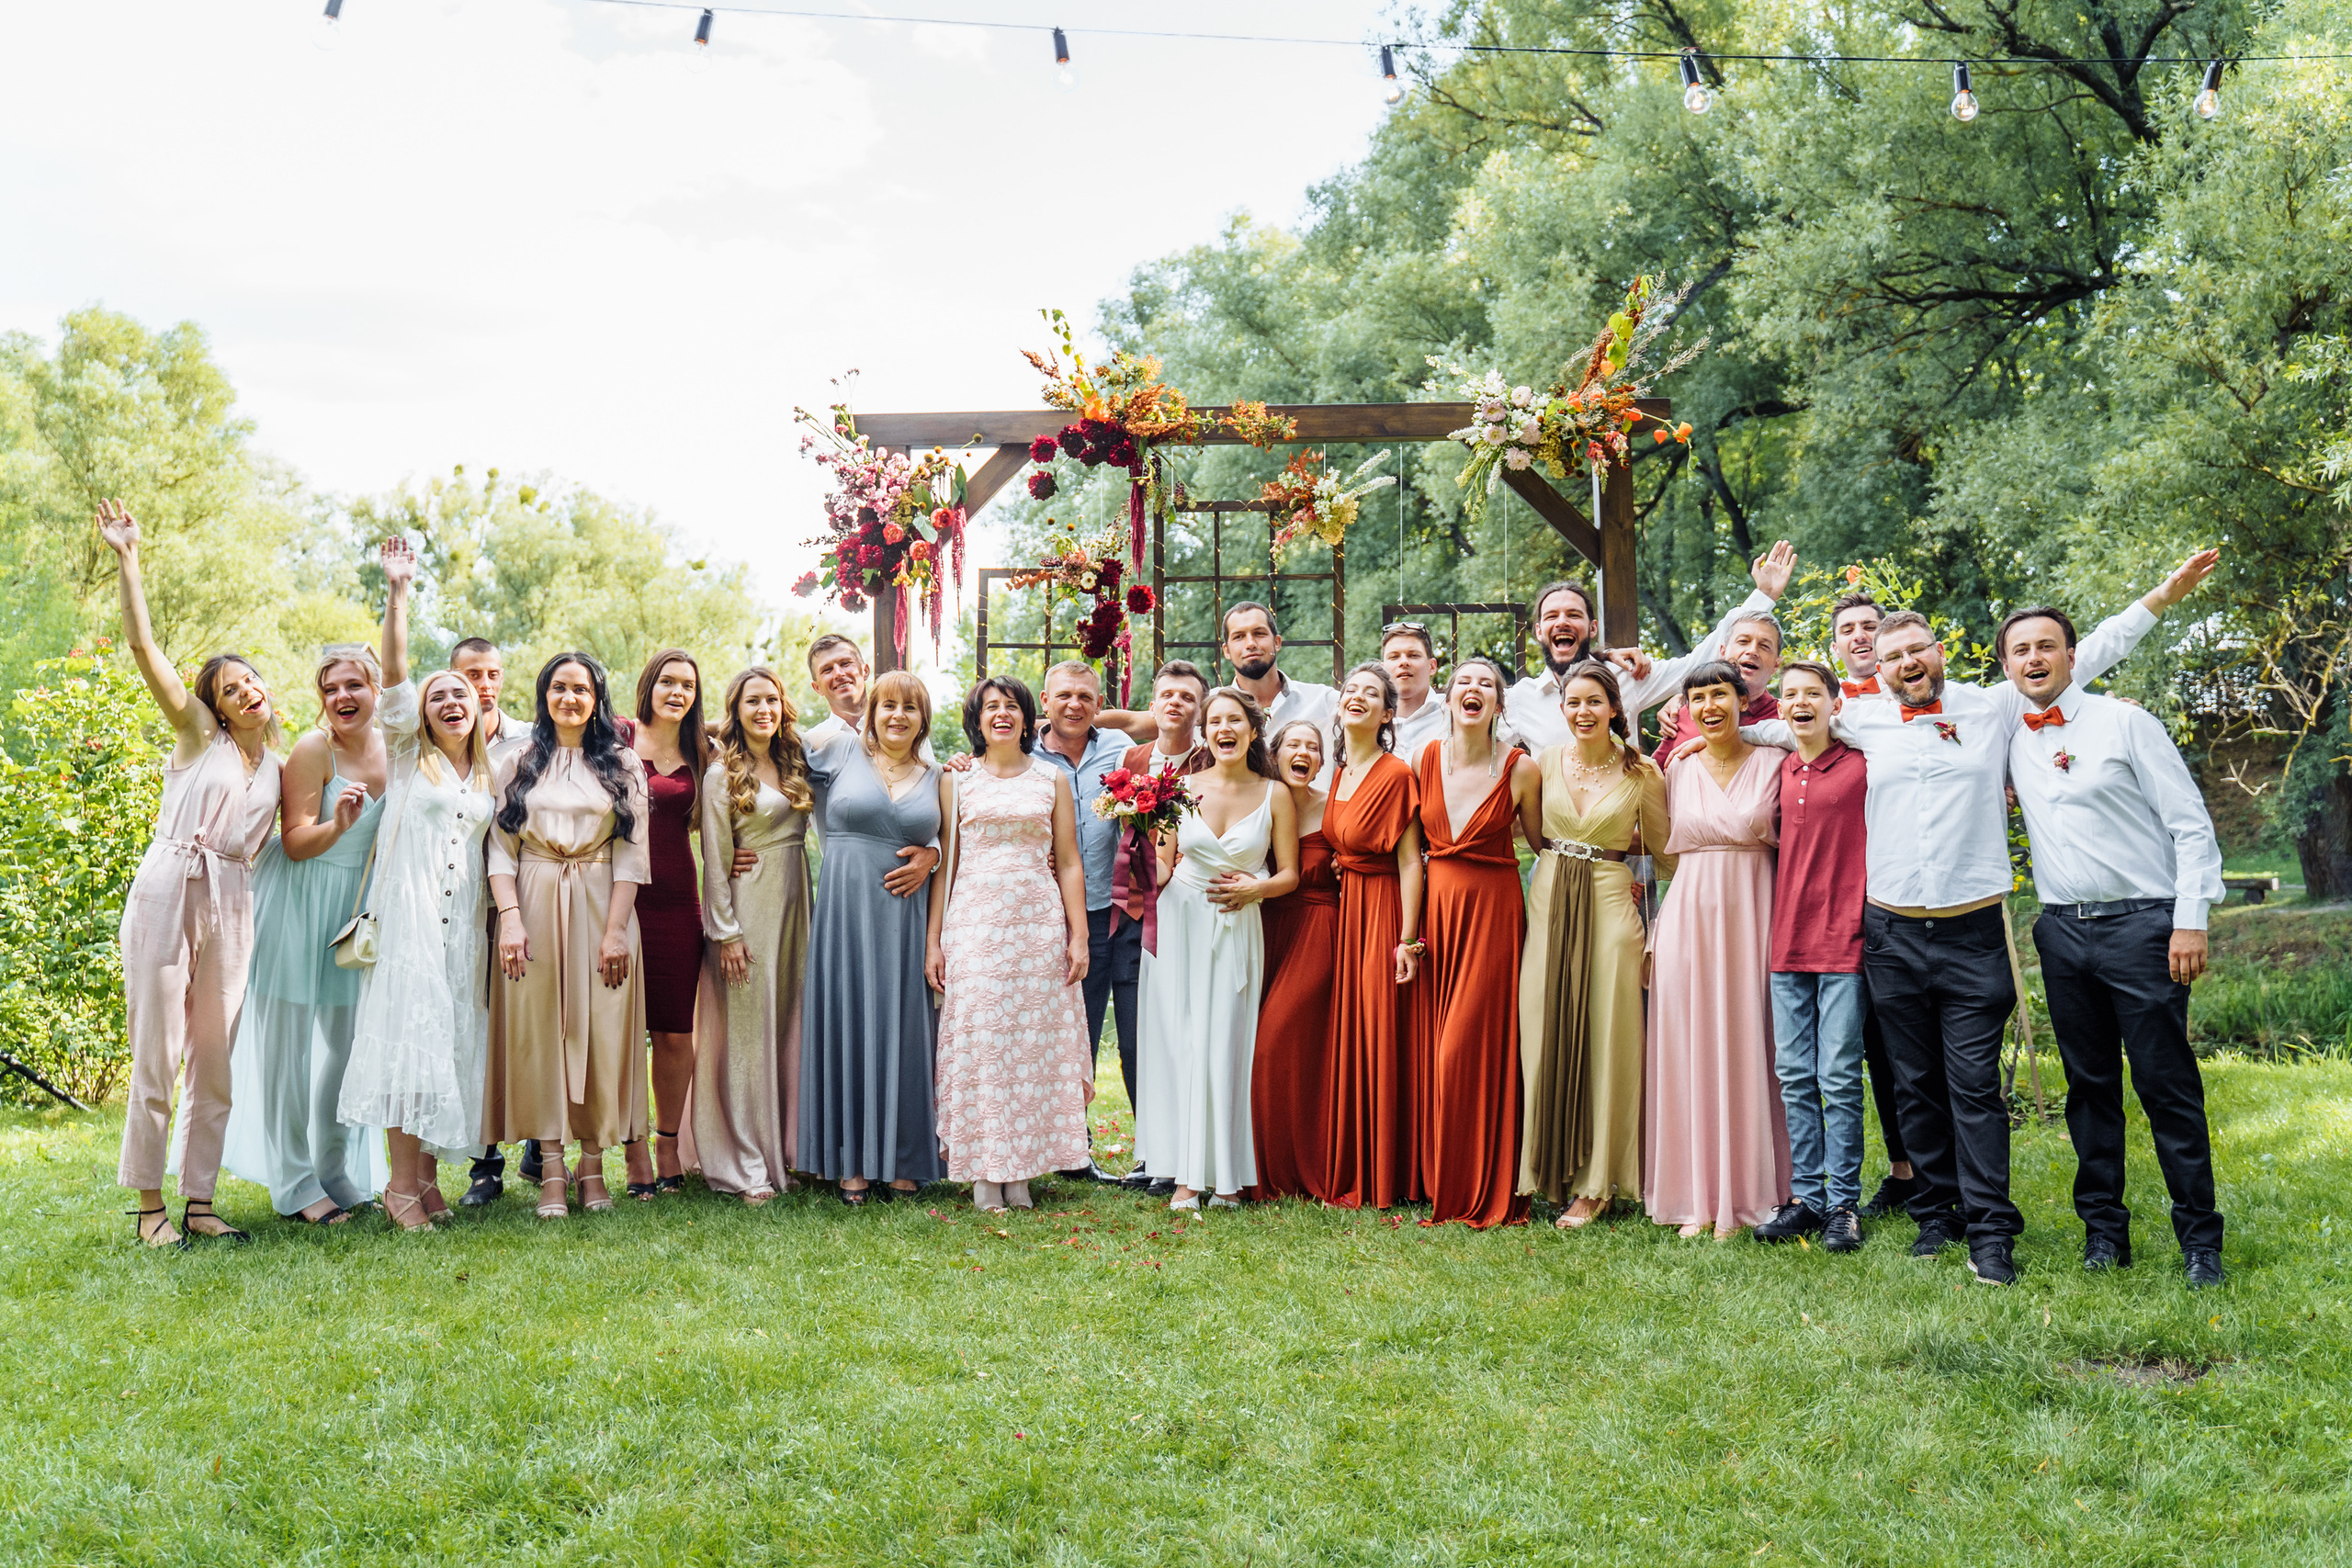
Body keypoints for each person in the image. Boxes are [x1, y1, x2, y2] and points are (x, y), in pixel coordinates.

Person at [1734, 549, 2218, 1285]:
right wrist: (1703, 719)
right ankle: (1937, 1214)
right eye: (1892, 656)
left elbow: (2087, 654)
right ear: (1881, 668)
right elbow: (1779, 724)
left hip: (1973, 932)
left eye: (1917, 649)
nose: (1906, 662)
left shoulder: (1991, 708)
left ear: (1939, 652)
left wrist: (2160, 595)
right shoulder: (1860, 719)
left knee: (1974, 1084)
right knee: (1912, 1084)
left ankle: (1993, 1230)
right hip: (1891, 930)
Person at [2002, 606, 2227, 1289]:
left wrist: (2191, 918)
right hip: (2062, 931)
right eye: (2020, 650)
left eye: (2047, 646)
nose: (2034, 658)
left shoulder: (2126, 721)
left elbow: (2190, 825)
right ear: (2006, 667)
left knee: (2166, 1085)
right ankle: (2104, 1234)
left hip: (2145, 926)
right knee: (2089, 1088)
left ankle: (2200, 1243)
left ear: (2075, 655)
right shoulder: (2005, 731)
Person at [102, 500, 286, 1247]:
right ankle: (150, 1207)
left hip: (236, 900)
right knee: (158, 1050)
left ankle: (200, 1201)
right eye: (229, 686)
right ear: (213, 703)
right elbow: (146, 650)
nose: (245, 690)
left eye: (252, 681)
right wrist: (128, 559)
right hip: (170, 888)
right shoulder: (196, 737)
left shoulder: (279, 762)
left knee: (216, 1060)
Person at [217, 613, 398, 1224]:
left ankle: (335, 1166)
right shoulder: (314, 749)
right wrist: (337, 824)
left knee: (347, 1049)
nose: (342, 697)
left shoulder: (393, 749)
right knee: (290, 1051)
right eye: (330, 688)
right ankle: (296, 1185)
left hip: (354, 909)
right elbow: (293, 841)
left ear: (375, 689)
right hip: (299, 899)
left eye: (354, 685)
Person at [335, 652, 502, 1232]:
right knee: (411, 1043)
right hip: (411, 922)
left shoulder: (484, 773)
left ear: (479, 711)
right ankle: (400, 1188)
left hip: (461, 933)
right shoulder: (408, 757)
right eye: (440, 698)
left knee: (446, 1043)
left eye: (463, 696)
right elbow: (399, 680)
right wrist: (398, 592)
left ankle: (427, 1180)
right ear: (422, 717)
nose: (453, 703)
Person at [485, 653, 652, 1219]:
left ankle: (591, 1165)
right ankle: (551, 1166)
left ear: (597, 699)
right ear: (544, 695)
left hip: (602, 896)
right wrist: (509, 917)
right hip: (533, 896)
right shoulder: (518, 761)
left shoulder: (624, 764)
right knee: (541, 1028)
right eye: (559, 688)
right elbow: (499, 849)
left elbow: (633, 854)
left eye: (580, 689)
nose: (569, 698)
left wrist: (615, 932)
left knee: (602, 1029)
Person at [925, 676, 1095, 1212]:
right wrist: (935, 941)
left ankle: (1021, 1172)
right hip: (975, 924)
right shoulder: (957, 781)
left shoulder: (1051, 780)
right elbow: (945, 867)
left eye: (1011, 707)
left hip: (1037, 926)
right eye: (990, 707)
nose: (1001, 714)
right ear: (976, 721)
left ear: (1028, 718)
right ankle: (982, 1174)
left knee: (1031, 1045)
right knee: (983, 1042)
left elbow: (1068, 860)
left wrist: (1079, 934)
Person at [1517, 660, 1670, 1228]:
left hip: (1609, 900)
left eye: (1594, 702)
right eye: (1573, 703)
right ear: (1562, 711)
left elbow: (1664, 851)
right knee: (1544, 1027)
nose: (1583, 712)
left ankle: (1598, 1180)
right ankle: (1550, 1168)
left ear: (1614, 708)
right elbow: (1535, 838)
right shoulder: (1541, 763)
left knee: (1609, 1034)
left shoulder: (1642, 772)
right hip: (1551, 895)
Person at [1134, 688, 1298, 1209]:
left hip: (1237, 923)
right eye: (1214, 722)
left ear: (1253, 730)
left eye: (1235, 721)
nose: (1223, 729)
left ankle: (1227, 1178)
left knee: (1228, 1040)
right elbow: (1163, 862)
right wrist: (1133, 854)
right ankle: (1186, 1178)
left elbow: (1291, 874)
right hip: (1182, 918)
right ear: (1204, 732)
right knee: (1181, 1041)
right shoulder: (1179, 788)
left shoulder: (1276, 795)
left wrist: (1257, 888)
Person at [1645, 661, 1787, 1239]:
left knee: (1755, 1042)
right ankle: (1695, 1193)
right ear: (1685, 708)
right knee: (1692, 1047)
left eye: (1720, 695)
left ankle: (1755, 1190)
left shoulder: (1777, 761)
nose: (1709, 706)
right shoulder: (1674, 769)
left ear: (1742, 699)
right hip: (1690, 915)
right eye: (1698, 697)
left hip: (1757, 910)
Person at [800, 671, 945, 1204]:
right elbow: (761, 749)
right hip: (844, 915)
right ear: (870, 712)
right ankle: (851, 1163)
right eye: (887, 706)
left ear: (922, 719)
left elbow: (954, 841)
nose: (897, 716)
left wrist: (932, 856)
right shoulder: (835, 753)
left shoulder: (939, 775)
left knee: (906, 1028)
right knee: (848, 1020)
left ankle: (905, 1160)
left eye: (909, 707)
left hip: (906, 920)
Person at [1411, 658, 1541, 1228]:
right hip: (1437, 914)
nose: (1474, 691)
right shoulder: (1422, 760)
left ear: (1498, 704)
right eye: (1464, 682)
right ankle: (1440, 1176)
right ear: (1448, 697)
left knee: (1468, 1046)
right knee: (1433, 1046)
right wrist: (1409, 933)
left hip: (1492, 913)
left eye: (1486, 685)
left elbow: (1544, 843)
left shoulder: (1520, 770)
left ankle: (1483, 1181)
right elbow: (1409, 853)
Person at [1754, 660, 1869, 1253]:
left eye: (1812, 694)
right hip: (1786, 942)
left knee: (1839, 1077)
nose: (1800, 703)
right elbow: (1733, 732)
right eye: (1790, 694)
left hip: (1845, 941)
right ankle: (1808, 1198)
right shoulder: (1780, 767)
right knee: (1795, 1075)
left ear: (1834, 702)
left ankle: (1844, 1204)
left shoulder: (1860, 766)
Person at [695, 666, 816, 1204]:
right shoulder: (722, 774)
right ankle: (746, 1162)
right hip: (747, 913)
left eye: (771, 699)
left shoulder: (795, 761)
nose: (763, 709)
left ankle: (790, 1149)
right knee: (747, 1037)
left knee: (790, 1025)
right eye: (752, 702)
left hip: (797, 911)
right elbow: (715, 860)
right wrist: (726, 934)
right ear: (736, 711)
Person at [1016, 660, 1137, 1181]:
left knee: (1132, 1033)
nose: (1074, 705)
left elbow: (1172, 716)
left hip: (1118, 909)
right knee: (1072, 1036)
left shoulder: (1119, 749)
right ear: (1044, 700)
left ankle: (1151, 1147)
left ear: (1099, 702)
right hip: (1052, 915)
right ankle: (1072, 1149)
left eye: (1085, 697)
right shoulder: (1021, 754)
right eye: (1063, 695)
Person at [1501, 541, 1797, 750]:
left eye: (1574, 615)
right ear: (1539, 631)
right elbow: (1469, 742)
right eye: (1552, 616)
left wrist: (1763, 596)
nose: (1563, 622)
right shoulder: (1520, 699)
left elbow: (1696, 664)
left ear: (1592, 628)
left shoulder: (1625, 676)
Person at [1312, 662, 1424, 1210]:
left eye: (1371, 694)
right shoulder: (1338, 772)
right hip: (1347, 909)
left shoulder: (1396, 773)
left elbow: (1410, 863)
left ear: (1386, 713)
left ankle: (1387, 1172)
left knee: (1381, 1030)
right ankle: (1355, 1156)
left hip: (1381, 912)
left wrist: (1407, 939)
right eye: (1351, 690)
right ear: (1340, 706)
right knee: (1352, 1031)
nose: (1357, 697)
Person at [1104, 659, 1213, 1188]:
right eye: (1167, 695)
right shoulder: (1132, 757)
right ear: (1153, 703)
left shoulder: (1213, 758)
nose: (1176, 704)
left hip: (1190, 909)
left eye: (1187, 697)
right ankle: (1151, 1151)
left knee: (1183, 1030)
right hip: (1133, 908)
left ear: (1200, 708)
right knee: (1134, 1034)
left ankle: (1187, 1146)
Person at [627, 648, 711, 1199]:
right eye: (668, 682)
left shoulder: (704, 751)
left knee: (676, 1033)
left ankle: (668, 1144)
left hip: (679, 904)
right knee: (622, 1032)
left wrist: (749, 852)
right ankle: (632, 1153)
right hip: (618, 900)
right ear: (649, 687)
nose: (677, 692)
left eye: (687, 685)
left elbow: (735, 814)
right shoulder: (614, 735)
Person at [450, 633, 530, 1208]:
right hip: (458, 903)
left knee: (526, 1018)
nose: (483, 686)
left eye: (492, 674)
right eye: (472, 675)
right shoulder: (442, 740)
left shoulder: (531, 739)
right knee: (475, 1022)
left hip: (523, 899)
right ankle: (485, 1161)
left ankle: (538, 1145)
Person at [1251, 719, 1337, 1201]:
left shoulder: (1335, 809)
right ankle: (1259, 1164)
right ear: (1274, 753)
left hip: (1318, 930)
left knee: (1276, 1043)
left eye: (1314, 747)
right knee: (1272, 1049)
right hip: (1264, 929)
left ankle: (1289, 1170)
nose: (1305, 752)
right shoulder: (1259, 800)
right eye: (1294, 744)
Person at [1649, 610, 1783, 764]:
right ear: (1723, 652)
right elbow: (1656, 777)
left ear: (1776, 664)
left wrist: (1712, 741)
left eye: (1764, 646)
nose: (1752, 651)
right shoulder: (1687, 712)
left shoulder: (1784, 718)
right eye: (1743, 642)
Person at [1383, 621, 1452, 760]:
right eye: (1394, 657)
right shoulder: (1370, 719)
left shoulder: (1454, 714)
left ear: (1432, 666)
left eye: (1413, 655)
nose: (1404, 662)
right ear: (1382, 670)